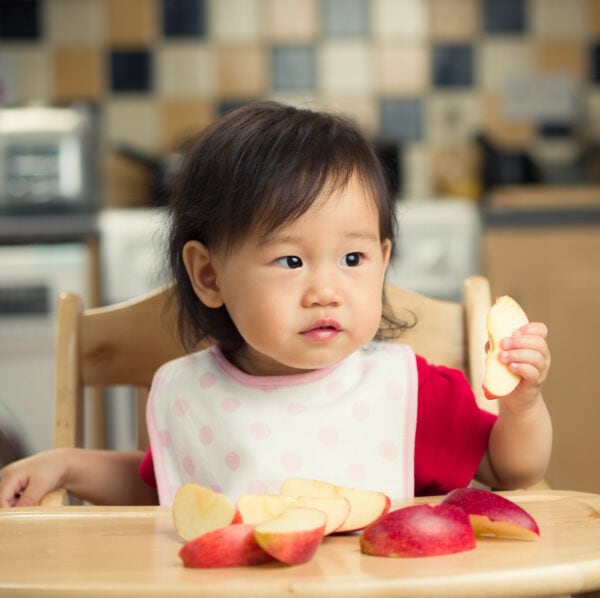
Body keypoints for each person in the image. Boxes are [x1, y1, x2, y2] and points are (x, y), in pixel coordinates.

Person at [0, 101, 552, 508]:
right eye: (291, 262)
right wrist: (68, 463)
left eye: (353, 259)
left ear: (384, 260)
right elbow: (161, 486)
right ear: (209, 276)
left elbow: (511, 470)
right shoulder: (190, 394)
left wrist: (522, 407)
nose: (325, 291)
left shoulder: (409, 391)